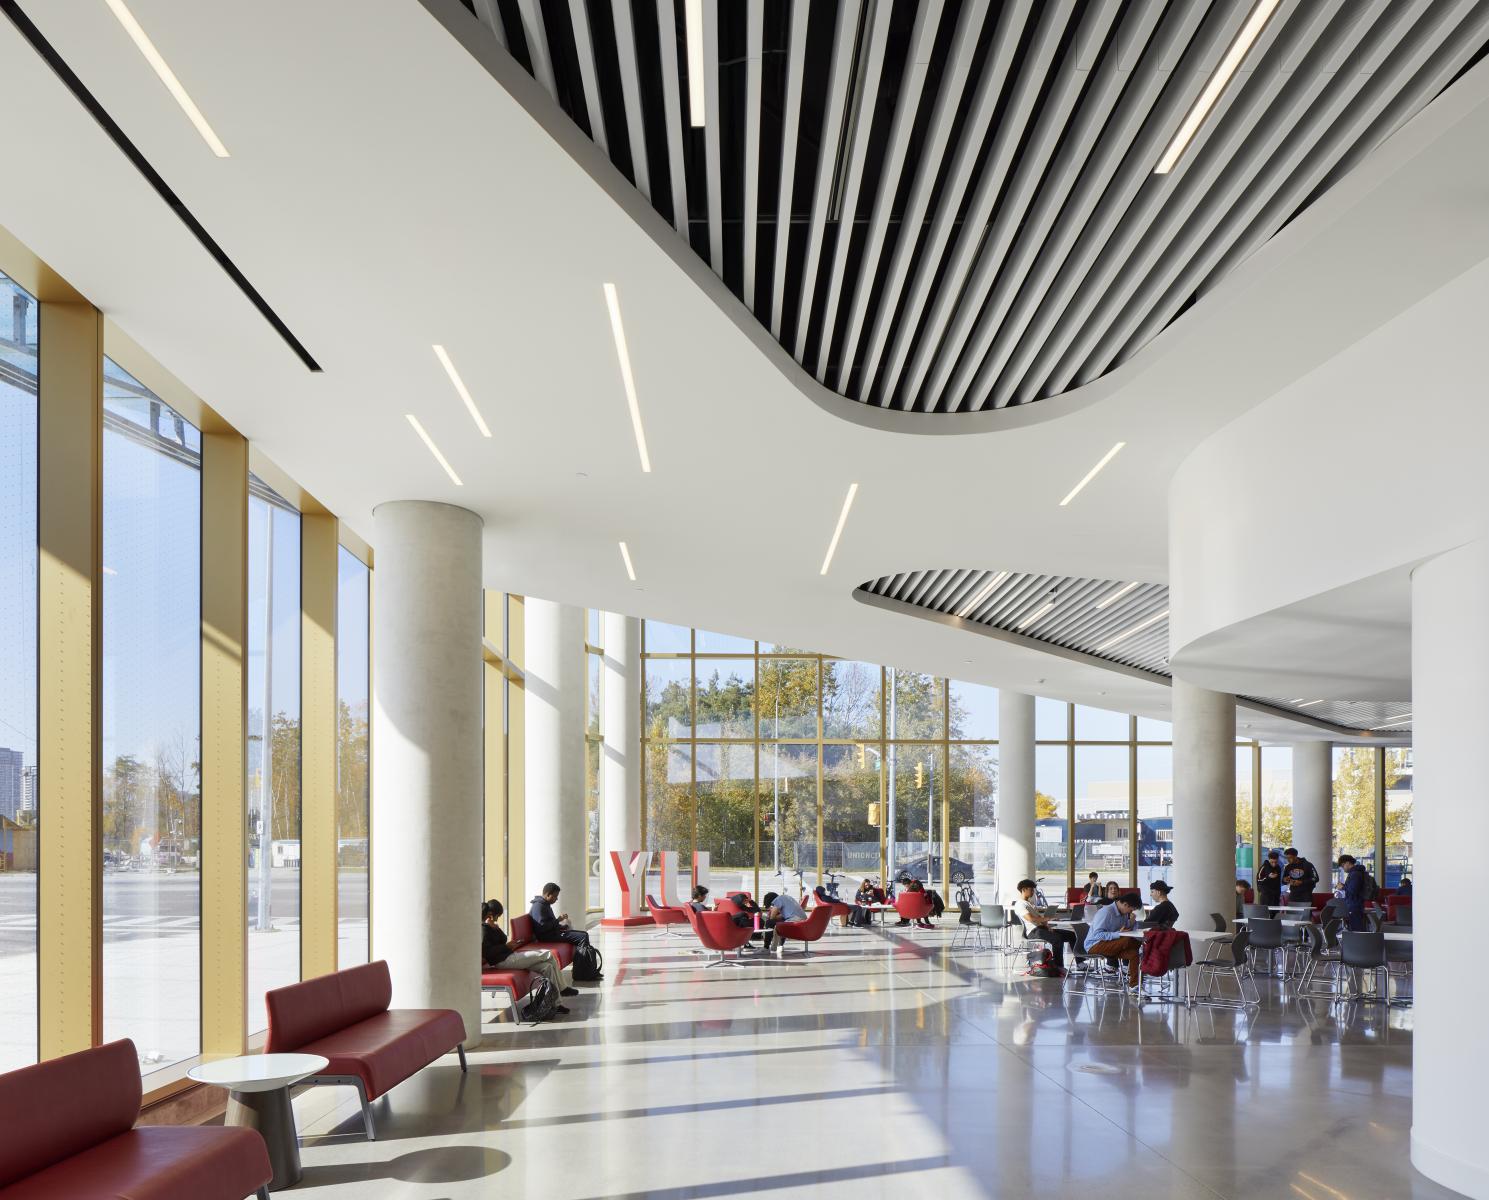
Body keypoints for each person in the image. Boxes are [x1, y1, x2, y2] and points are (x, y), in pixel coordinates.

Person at [482, 900, 576, 1014]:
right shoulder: (483, 929)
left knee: (548, 967)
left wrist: (496, 928)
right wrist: (506, 946)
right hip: (503, 961)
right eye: (497, 916)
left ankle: (556, 1004)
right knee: (548, 954)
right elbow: (488, 952)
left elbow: (503, 939)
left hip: (510, 956)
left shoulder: (490, 927)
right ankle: (563, 988)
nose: (497, 919)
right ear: (490, 914)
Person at [1012, 879, 1073, 974]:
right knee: (1057, 939)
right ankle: (1059, 966)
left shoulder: (1030, 903)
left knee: (1071, 935)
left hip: (1041, 929)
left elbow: (1039, 918)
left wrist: (1047, 926)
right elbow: (1031, 919)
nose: (1033, 892)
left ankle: (1080, 963)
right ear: (1024, 889)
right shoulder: (1020, 904)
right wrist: (1048, 918)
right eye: (1031, 890)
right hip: (1033, 931)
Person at [1085, 892, 1141, 987]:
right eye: (1131, 910)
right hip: (1095, 945)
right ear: (1125, 904)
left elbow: (1126, 928)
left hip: (1112, 944)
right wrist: (1118, 934)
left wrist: (1131, 922)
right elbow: (1097, 935)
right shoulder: (1106, 912)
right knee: (1129, 940)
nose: (1131, 912)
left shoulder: (1123, 912)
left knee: (1134, 954)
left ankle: (1135, 986)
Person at [529, 883, 595, 954]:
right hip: (547, 937)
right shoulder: (539, 906)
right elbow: (542, 928)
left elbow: (549, 923)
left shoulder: (545, 905)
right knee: (582, 937)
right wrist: (558, 920)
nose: (557, 899)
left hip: (553, 933)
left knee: (584, 934)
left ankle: (583, 958)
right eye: (555, 896)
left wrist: (562, 926)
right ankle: (581, 960)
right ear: (548, 895)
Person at [1337, 854, 1369, 931]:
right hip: (1356, 904)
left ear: (1348, 863)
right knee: (1357, 928)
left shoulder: (1355, 874)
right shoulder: (1356, 873)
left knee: (1356, 929)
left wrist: (1342, 887)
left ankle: (1359, 939)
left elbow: (1353, 890)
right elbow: (1354, 887)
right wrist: (1344, 886)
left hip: (1354, 905)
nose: (1343, 868)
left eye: (1343, 865)